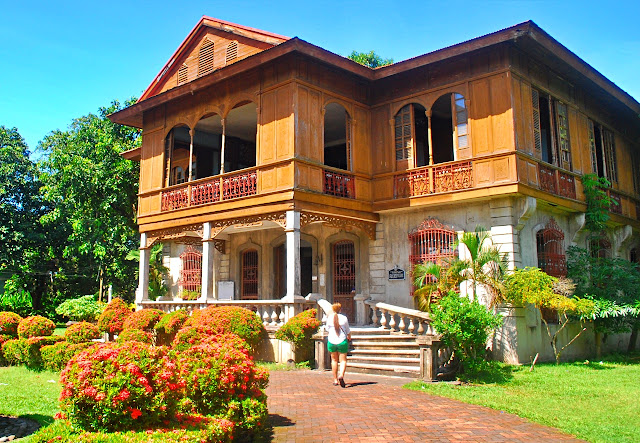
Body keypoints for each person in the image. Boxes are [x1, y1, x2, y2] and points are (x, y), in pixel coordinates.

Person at [326, 302, 351, 387]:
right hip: (342, 341)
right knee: (343, 360)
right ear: (340, 309)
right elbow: (348, 330)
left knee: (334, 360)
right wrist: (349, 337)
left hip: (332, 341)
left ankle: (335, 379)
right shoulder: (344, 318)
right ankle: (341, 375)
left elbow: (327, 329)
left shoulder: (329, 318)